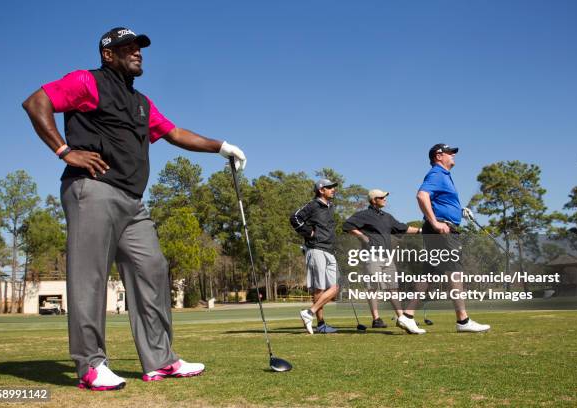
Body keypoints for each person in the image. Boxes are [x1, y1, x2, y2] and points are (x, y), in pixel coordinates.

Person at [22, 27, 246, 391]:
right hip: (91, 190)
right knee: (90, 279)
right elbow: (36, 102)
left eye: (139, 47)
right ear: (107, 55)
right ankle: (91, 365)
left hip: (132, 201)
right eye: (127, 47)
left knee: (152, 270)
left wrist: (221, 147)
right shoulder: (87, 81)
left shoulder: (141, 102)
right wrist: (64, 151)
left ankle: (160, 361)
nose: (137, 53)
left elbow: (174, 133)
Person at [399, 144, 490, 334]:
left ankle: (406, 316)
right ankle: (463, 320)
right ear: (439, 156)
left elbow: (439, 200)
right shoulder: (437, 173)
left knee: (429, 275)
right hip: (441, 229)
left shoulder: (445, 176)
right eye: (450, 152)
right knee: (454, 273)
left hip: (442, 227)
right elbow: (422, 196)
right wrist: (435, 222)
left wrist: (459, 210)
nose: (454, 155)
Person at [343, 189, 421, 329]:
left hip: (387, 257)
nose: (385, 199)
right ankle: (376, 319)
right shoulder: (364, 215)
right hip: (371, 255)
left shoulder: (387, 217)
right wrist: (361, 236)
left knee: (393, 288)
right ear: (374, 200)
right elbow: (347, 225)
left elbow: (402, 228)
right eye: (382, 197)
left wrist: (421, 230)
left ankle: (402, 318)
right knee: (373, 287)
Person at [290, 179, 340, 334]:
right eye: (329, 188)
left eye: (333, 188)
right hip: (315, 249)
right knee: (319, 287)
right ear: (321, 190)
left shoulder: (331, 207)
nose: (333, 190)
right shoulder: (313, 205)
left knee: (336, 286)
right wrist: (309, 233)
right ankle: (321, 324)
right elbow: (295, 218)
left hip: (329, 250)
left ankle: (309, 312)